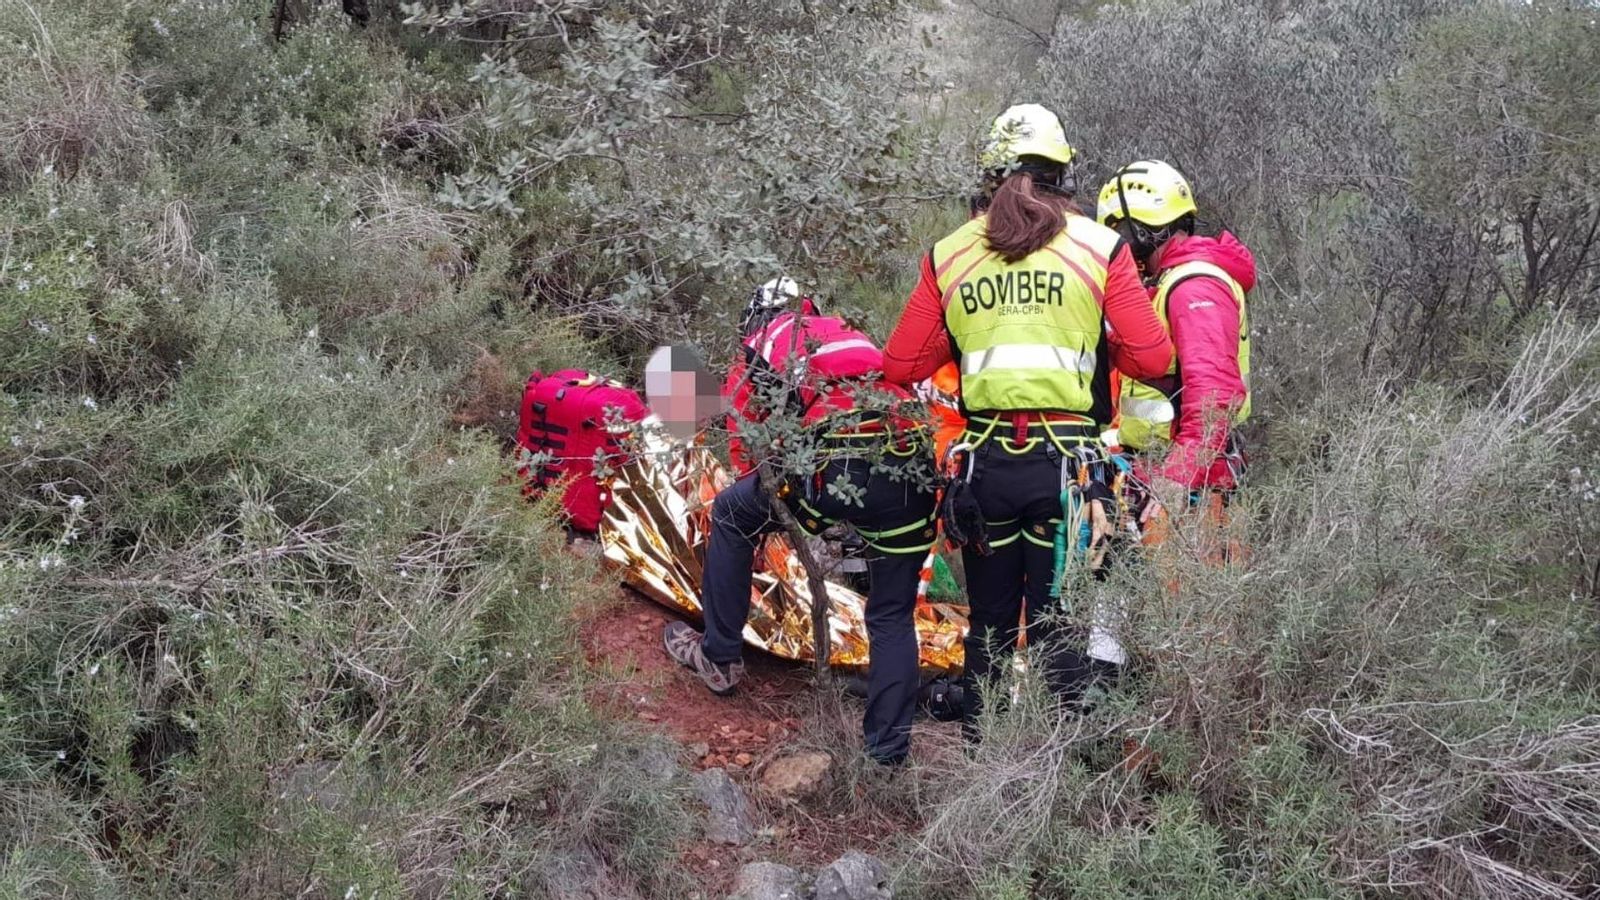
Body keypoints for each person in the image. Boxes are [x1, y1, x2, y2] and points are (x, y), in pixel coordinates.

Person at [881, 104, 1173, 730]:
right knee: (1059, 623)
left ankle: (980, 755)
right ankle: (1052, 773)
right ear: (1065, 175)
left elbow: (902, 363)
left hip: (985, 468)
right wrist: (1093, 336)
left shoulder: (951, 253)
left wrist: (964, 335)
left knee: (987, 623)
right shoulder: (1101, 246)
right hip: (1066, 474)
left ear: (988, 176)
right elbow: (1153, 355)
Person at [664, 277, 939, 765]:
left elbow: (748, 448)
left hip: (835, 461)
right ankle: (887, 756)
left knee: (731, 514)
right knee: (892, 614)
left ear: (753, 317)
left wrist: (779, 516)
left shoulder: (764, 342)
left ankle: (720, 656)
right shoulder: (846, 331)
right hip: (911, 462)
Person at [1095, 161, 1255, 500]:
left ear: (1138, 230)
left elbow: (1214, 395)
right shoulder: (1170, 281)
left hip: (1189, 488)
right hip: (1159, 470)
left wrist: (1178, 476)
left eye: (1117, 231)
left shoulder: (1194, 286)